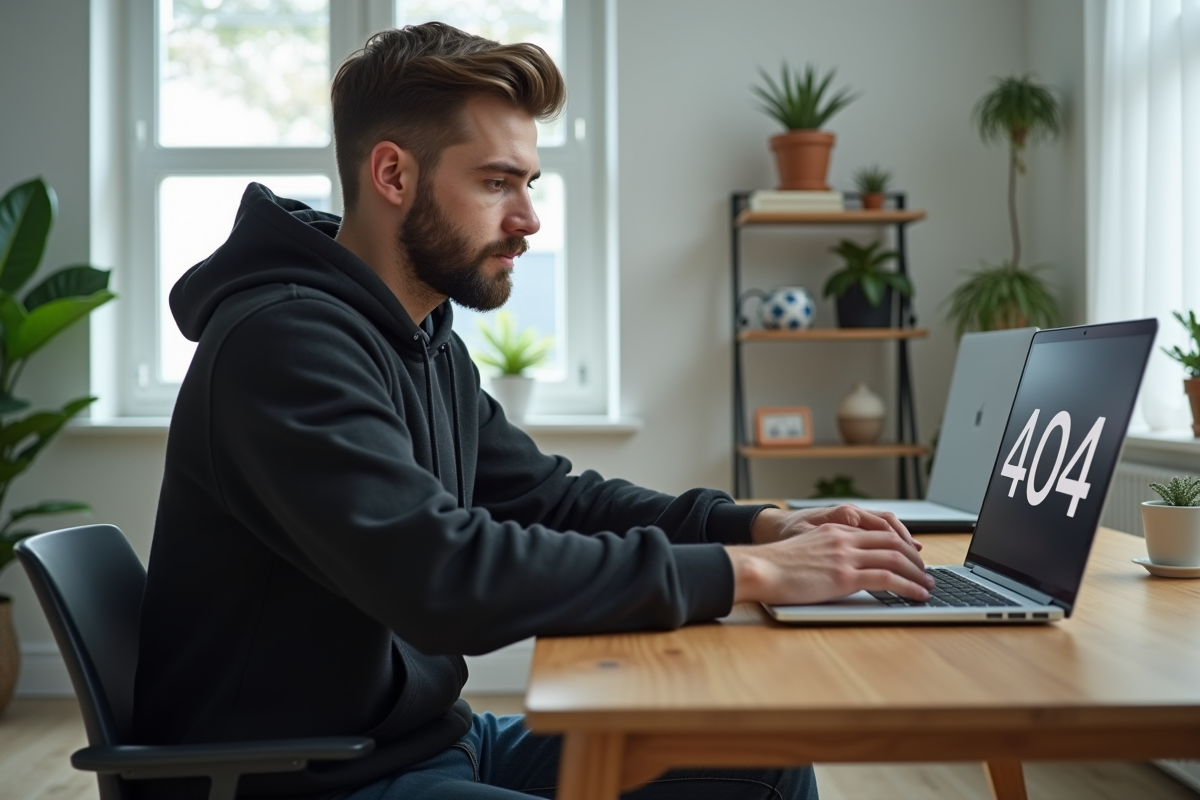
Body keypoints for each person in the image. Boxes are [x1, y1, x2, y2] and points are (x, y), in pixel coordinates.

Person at [133, 22, 933, 800]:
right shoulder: (284, 344)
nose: (529, 219)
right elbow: (443, 578)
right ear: (392, 175)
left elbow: (554, 500)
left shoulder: (421, 337)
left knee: (767, 764)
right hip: (304, 777)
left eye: (529, 183)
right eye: (495, 182)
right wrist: (748, 574)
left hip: (426, 742)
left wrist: (757, 526)